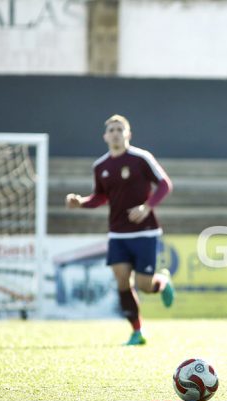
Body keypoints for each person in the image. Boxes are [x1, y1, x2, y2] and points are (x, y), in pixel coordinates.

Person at [65, 114, 175, 346]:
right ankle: (137, 332)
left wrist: (147, 207)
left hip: (145, 232)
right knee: (122, 280)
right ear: (105, 136)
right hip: (117, 233)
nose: (115, 133)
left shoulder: (141, 158)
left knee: (145, 286)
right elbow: (101, 196)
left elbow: (165, 184)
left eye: (119, 129)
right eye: (111, 130)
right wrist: (81, 202)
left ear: (128, 134)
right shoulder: (101, 166)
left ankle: (161, 283)